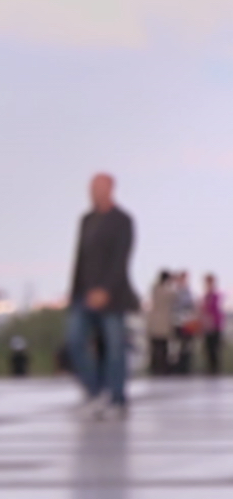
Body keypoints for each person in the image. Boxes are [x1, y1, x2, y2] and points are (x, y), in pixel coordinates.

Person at [68, 175, 138, 418]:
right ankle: (95, 392)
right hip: (82, 295)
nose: (94, 192)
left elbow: (121, 258)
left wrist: (105, 289)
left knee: (115, 347)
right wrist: (74, 292)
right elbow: (80, 259)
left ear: (109, 189)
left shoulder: (122, 220)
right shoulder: (86, 220)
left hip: (112, 296)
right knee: (74, 341)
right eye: (91, 188)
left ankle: (117, 399)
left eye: (98, 187)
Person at [145, 271, 176, 378]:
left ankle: (155, 368)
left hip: (153, 321)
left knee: (155, 347)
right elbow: (175, 297)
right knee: (163, 347)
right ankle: (162, 369)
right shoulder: (167, 292)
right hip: (163, 322)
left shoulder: (154, 289)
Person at [200, 274, 225, 375]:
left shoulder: (214, 297)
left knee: (214, 349)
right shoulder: (207, 297)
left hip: (214, 326)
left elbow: (214, 311)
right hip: (208, 327)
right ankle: (211, 369)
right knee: (209, 350)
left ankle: (215, 370)